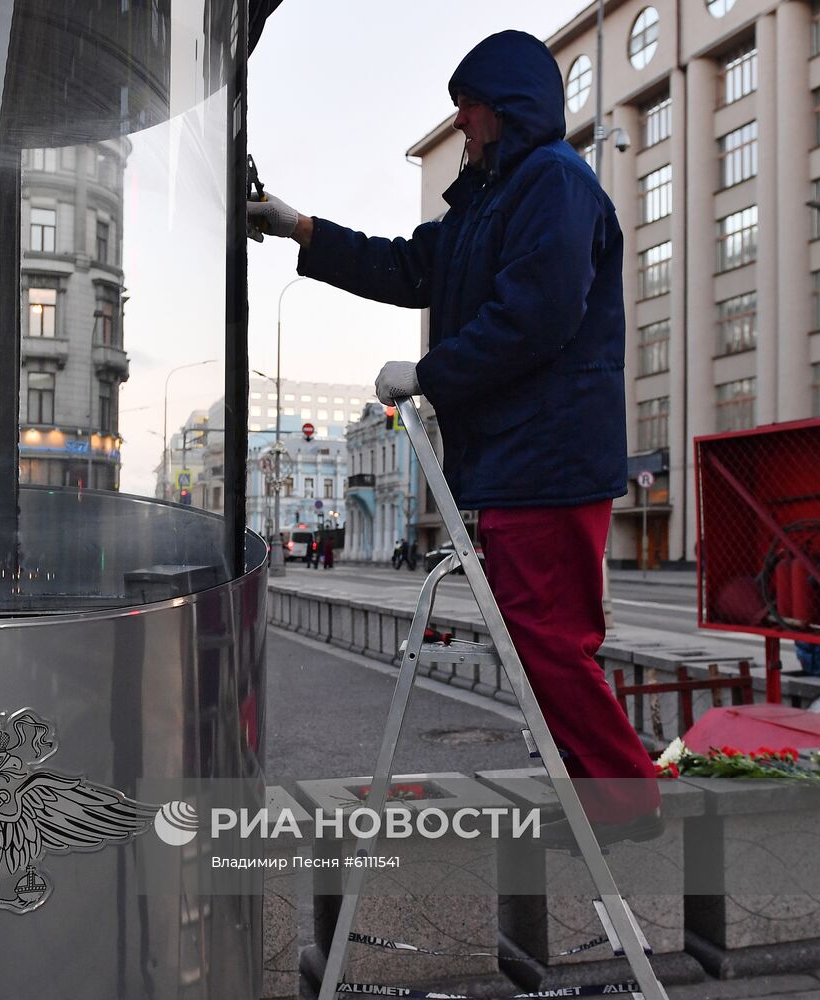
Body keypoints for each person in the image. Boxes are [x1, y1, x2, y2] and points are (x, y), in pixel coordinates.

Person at [249, 30, 660, 848]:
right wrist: (299, 226)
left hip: (547, 456)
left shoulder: (552, 183)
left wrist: (430, 373)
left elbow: (535, 319)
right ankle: (593, 786)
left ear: (504, 107)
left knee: (547, 635)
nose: (461, 122)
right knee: (534, 635)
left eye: (467, 105)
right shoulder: (485, 202)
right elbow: (404, 266)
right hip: (514, 456)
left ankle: (623, 796)